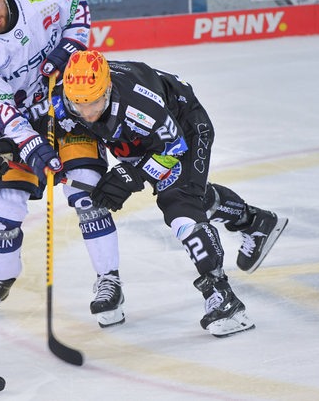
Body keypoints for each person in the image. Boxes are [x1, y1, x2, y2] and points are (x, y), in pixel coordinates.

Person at [59, 50, 289, 337]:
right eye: (79, 104)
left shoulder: (137, 105)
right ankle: (254, 221)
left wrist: (135, 174)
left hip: (184, 129)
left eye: (94, 102)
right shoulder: (70, 95)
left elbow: (173, 148)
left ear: (107, 88)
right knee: (191, 197)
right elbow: (51, 126)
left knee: (180, 205)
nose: (87, 113)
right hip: (139, 139)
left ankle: (224, 299)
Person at [0, 0, 125, 328]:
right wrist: (32, 148)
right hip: (21, 124)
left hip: (71, 107)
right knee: (4, 207)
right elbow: (1, 111)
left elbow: (78, 4)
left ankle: (109, 280)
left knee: (86, 195)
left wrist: (70, 46)